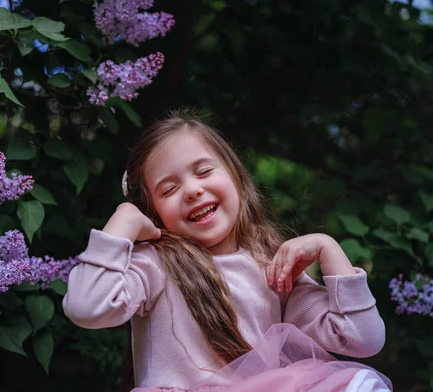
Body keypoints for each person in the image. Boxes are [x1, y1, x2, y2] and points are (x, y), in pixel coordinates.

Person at [63, 111, 391, 391]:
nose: (192, 189)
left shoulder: (273, 266)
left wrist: (329, 249)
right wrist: (123, 221)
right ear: (153, 213)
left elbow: (363, 340)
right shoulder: (155, 265)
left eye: (204, 171)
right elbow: (85, 307)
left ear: (236, 176)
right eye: (170, 189)